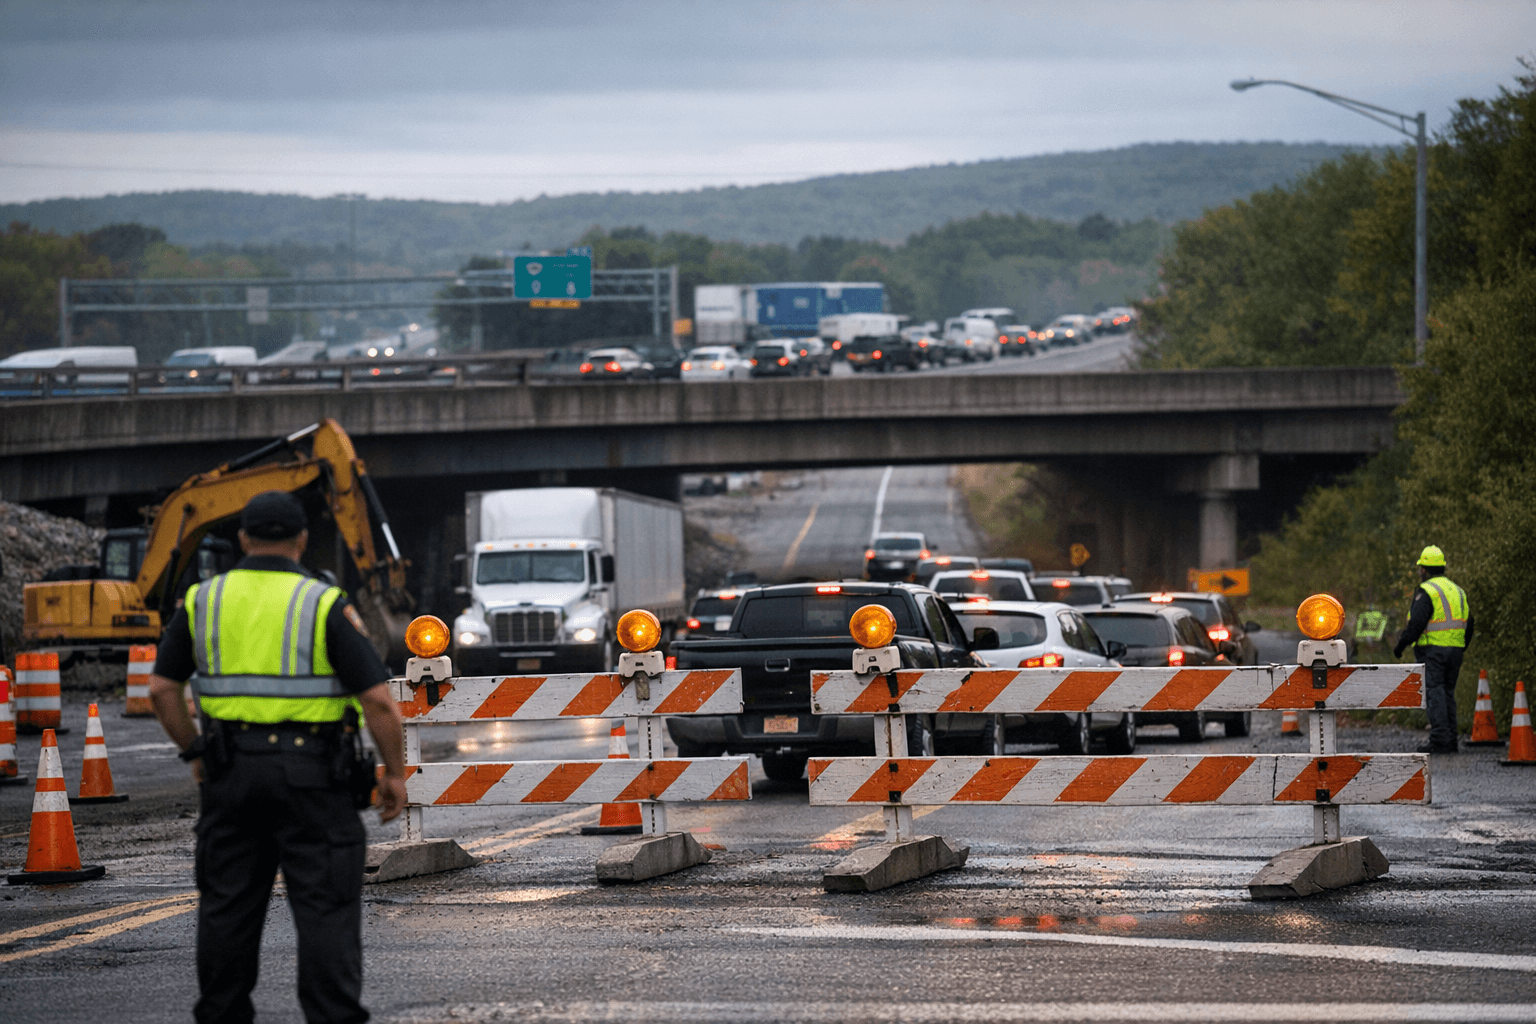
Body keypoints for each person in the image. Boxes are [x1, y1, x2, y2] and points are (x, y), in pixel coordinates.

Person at [147, 490, 408, 1024]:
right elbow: (379, 702)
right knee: (325, 914)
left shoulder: (203, 600)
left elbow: (160, 691)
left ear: (242, 538)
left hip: (230, 777)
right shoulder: (323, 603)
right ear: (302, 540)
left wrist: (196, 752)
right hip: (314, 780)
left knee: (226, 912)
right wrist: (396, 775)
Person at [1392, 545, 1474, 754]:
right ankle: (1450, 740)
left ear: (1424, 570)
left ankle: (1439, 739)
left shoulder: (1427, 590)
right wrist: (1461, 645)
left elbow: (1417, 623)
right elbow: (1470, 622)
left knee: (1435, 692)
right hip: (1455, 649)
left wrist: (1401, 646)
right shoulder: (1457, 590)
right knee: (1447, 693)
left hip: (1434, 651)